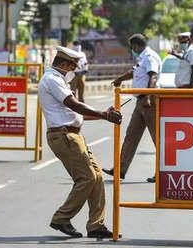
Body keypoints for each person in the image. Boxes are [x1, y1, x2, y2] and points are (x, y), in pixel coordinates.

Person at [38, 46, 122, 239]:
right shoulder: (52, 80)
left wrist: (104, 116)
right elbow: (74, 105)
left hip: (72, 135)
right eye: (73, 66)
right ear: (65, 63)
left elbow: (75, 113)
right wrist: (103, 114)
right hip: (64, 136)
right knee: (87, 178)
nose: (74, 70)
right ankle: (61, 218)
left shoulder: (59, 80)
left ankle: (95, 225)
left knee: (98, 177)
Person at [102, 34, 162, 183]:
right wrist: (120, 79)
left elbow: (153, 76)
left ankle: (162, 172)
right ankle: (120, 169)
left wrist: (148, 95)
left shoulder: (150, 56)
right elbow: (134, 72)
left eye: (132, 47)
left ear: (136, 46)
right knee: (131, 135)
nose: (132, 50)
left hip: (149, 101)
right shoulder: (141, 58)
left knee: (157, 138)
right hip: (140, 101)